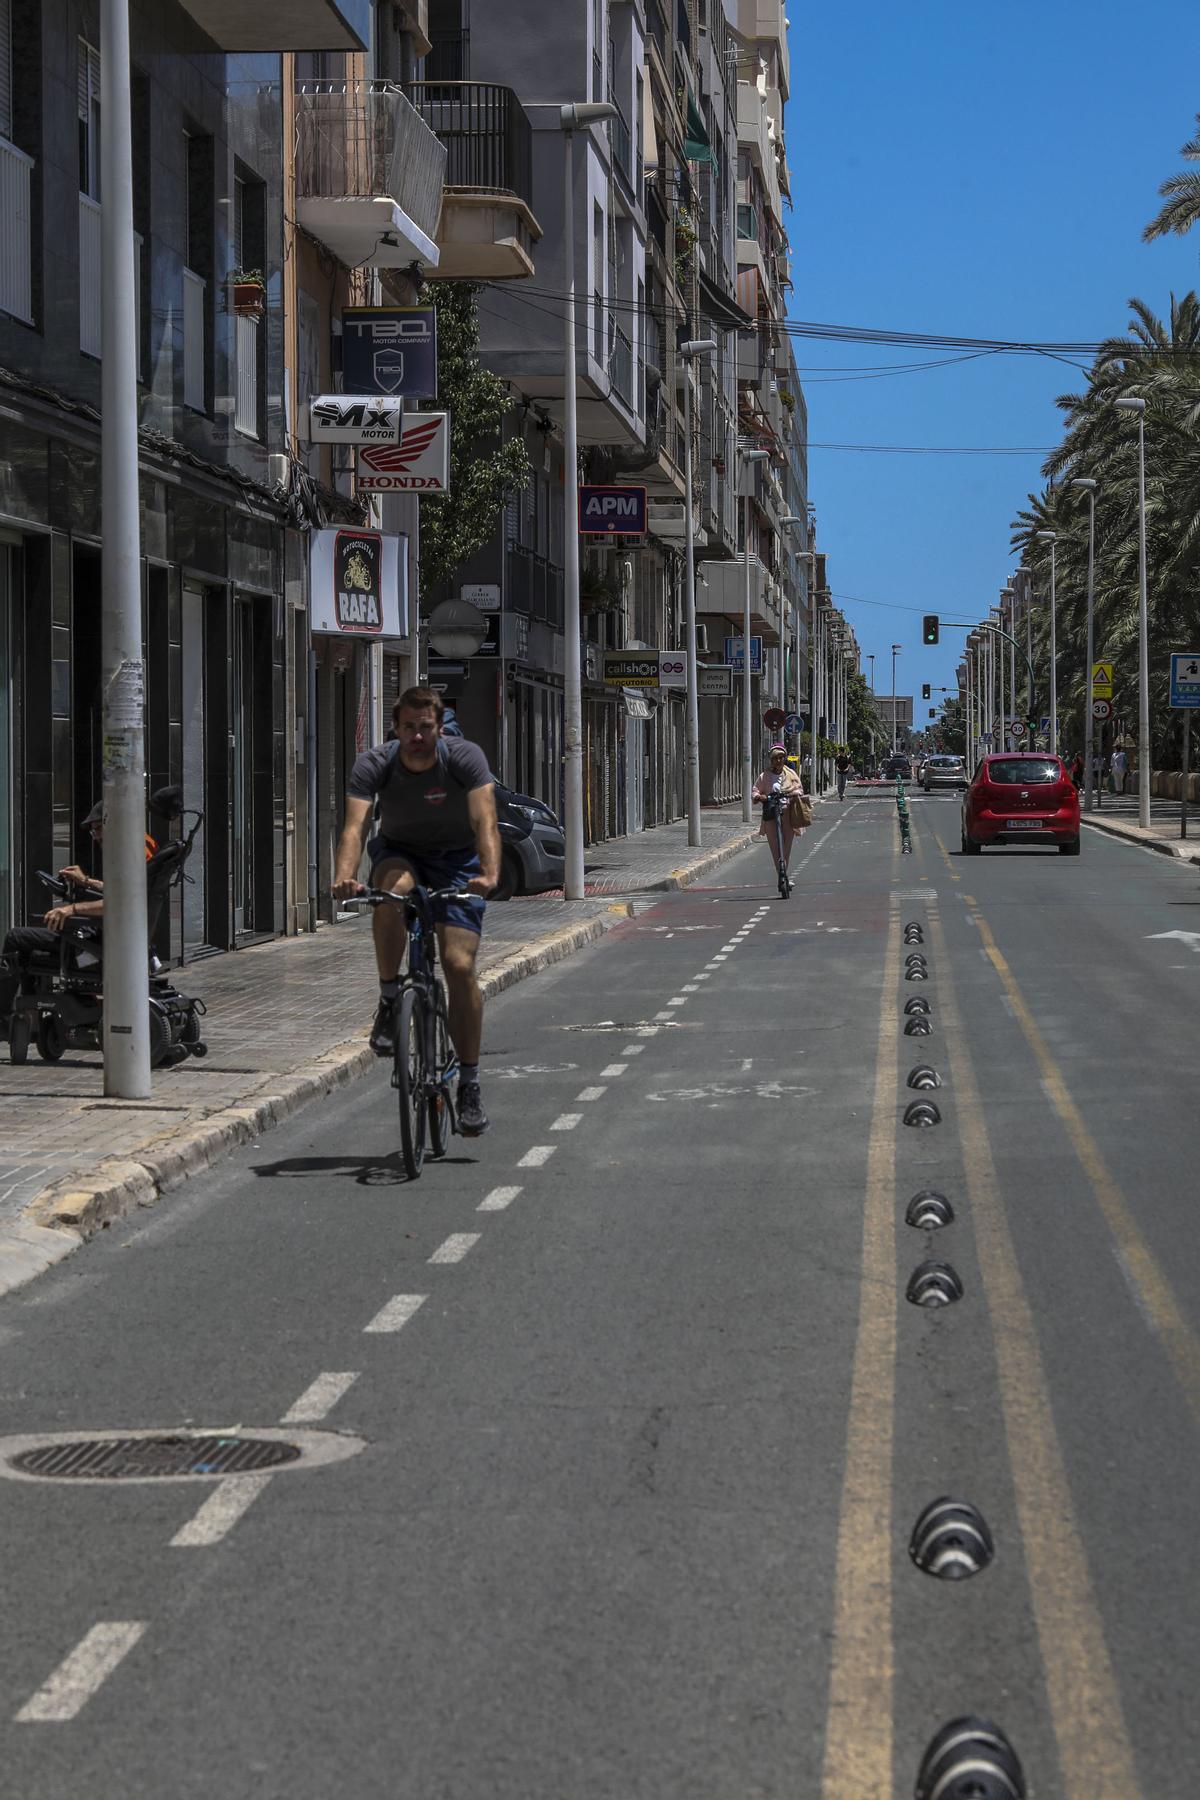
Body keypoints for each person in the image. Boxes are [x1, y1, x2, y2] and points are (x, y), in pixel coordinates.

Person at [332, 686, 501, 1137]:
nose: (417, 737)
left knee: (458, 964)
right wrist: (346, 875)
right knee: (391, 893)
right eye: (409, 728)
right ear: (396, 727)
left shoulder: (464, 758)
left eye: (426, 728)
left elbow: (486, 820)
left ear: (439, 728)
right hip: (400, 852)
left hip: (457, 861)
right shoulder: (375, 763)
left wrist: (489, 872)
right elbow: (355, 826)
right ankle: (390, 998)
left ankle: (468, 1084)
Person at [752, 743, 808, 889]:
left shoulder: (791, 774)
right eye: (776, 758)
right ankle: (781, 876)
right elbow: (755, 790)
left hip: (788, 814)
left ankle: (784, 874)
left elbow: (799, 789)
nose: (779, 761)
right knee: (775, 848)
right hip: (771, 814)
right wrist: (758, 796)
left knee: (786, 847)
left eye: (781, 757)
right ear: (771, 760)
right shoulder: (765, 776)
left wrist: (795, 793)